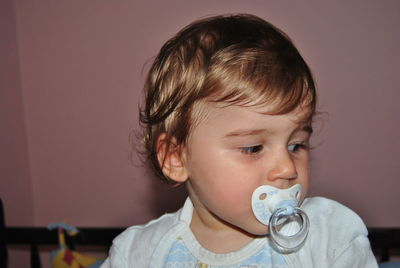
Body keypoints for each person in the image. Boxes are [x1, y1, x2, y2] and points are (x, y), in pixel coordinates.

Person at [101, 14, 378, 267]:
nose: (287, 168)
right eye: (253, 148)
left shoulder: (331, 239)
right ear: (176, 157)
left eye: (296, 146)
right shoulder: (138, 255)